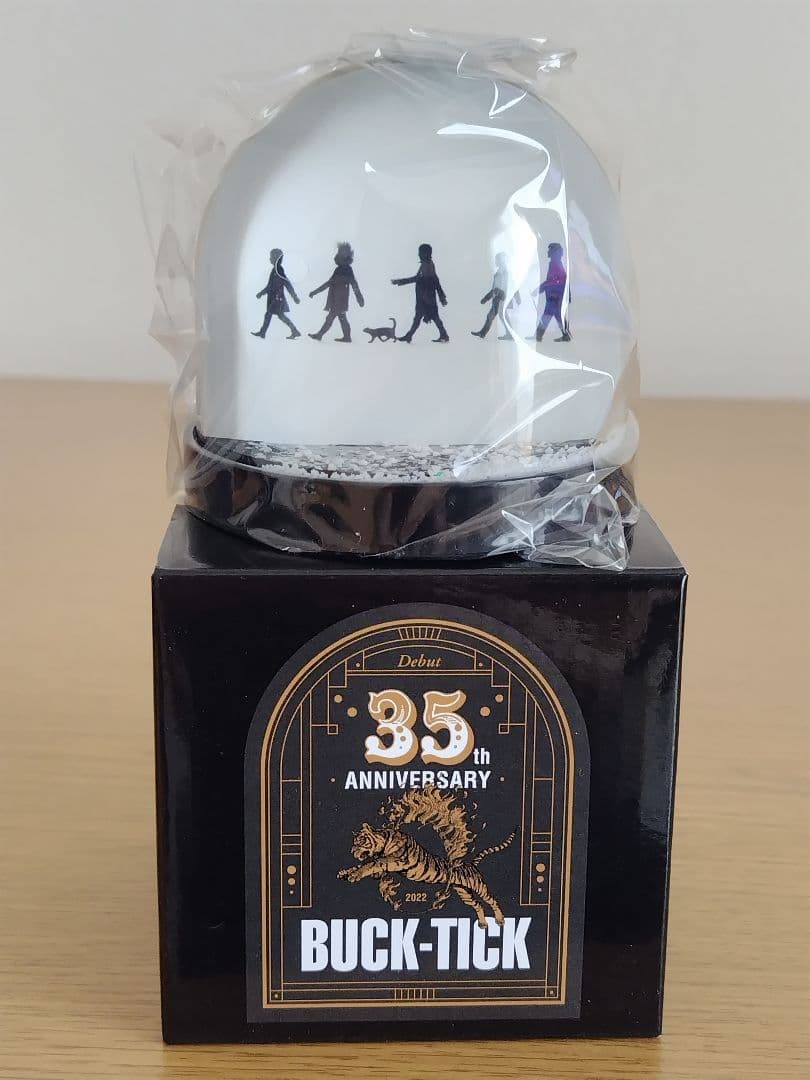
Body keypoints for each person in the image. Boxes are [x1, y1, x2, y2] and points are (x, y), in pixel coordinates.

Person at [391, 243, 449, 343]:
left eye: (420, 252)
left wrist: (400, 281)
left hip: (426, 298)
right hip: (426, 297)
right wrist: (441, 296)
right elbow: (435, 280)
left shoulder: (427, 265)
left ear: (424, 253)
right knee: (423, 317)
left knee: (430, 317)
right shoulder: (428, 264)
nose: (418, 254)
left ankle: (443, 335)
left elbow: (418, 279)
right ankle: (410, 336)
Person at [308, 242, 364, 343]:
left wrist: (359, 298)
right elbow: (329, 283)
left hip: (339, 299)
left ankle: (320, 335)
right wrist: (315, 292)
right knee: (341, 318)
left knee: (331, 317)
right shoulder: (339, 269)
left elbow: (354, 284)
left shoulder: (347, 270)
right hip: (336, 298)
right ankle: (346, 337)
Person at [251, 249, 301, 340]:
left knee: (269, 314)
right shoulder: (276, 269)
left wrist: (295, 297)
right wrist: (261, 293)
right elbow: (270, 285)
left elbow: (287, 283)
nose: (270, 259)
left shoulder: (279, 269)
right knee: (280, 316)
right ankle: (295, 331)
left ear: (276, 258)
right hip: (275, 297)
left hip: (277, 298)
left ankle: (262, 333)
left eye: (271, 257)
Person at [472, 252, 520, 340]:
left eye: (497, 259)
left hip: (501, 299)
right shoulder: (500, 271)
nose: (495, 261)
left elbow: (510, 285)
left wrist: (486, 298)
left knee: (499, 316)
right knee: (493, 316)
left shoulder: (504, 272)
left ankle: (509, 335)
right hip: (498, 298)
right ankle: (482, 333)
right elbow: (496, 288)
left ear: (501, 260)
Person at [532, 242, 571, 342]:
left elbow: (552, 281)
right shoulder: (556, 263)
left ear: (554, 252)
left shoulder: (555, 264)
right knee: (557, 316)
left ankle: (538, 335)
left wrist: (539, 289)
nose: (547, 252)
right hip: (555, 295)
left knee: (548, 315)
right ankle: (565, 335)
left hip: (554, 295)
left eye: (549, 250)